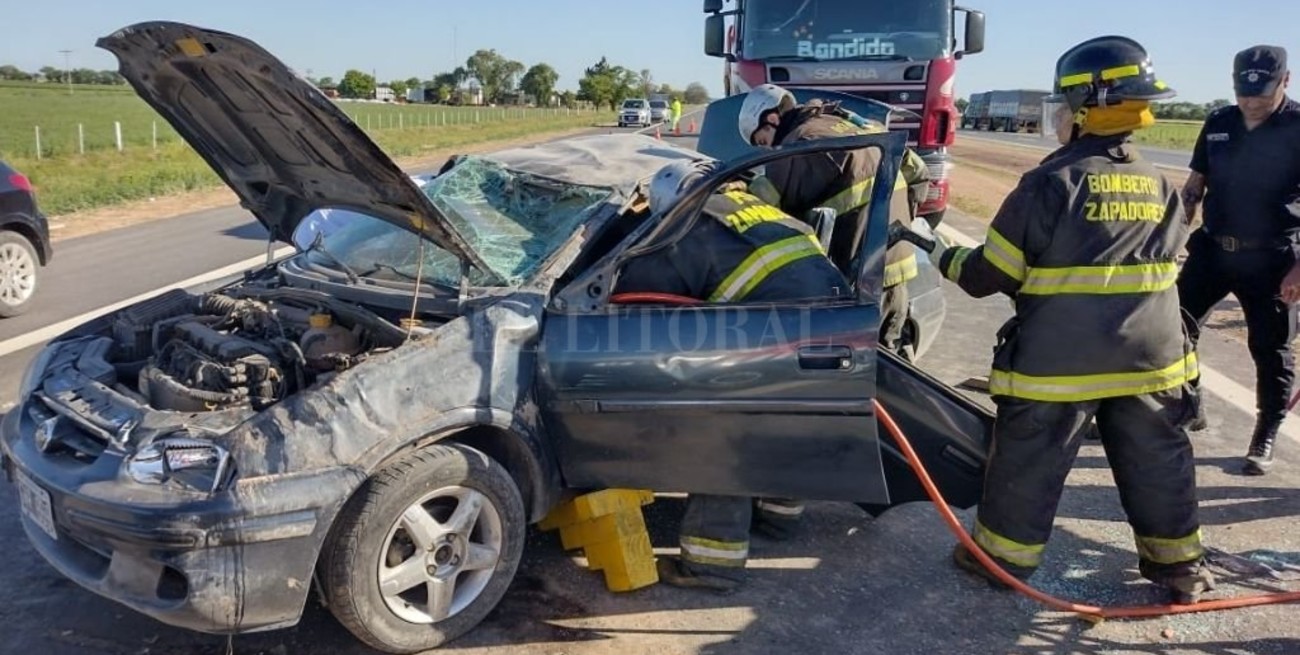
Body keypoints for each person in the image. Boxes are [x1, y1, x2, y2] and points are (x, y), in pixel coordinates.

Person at [924, 36, 1215, 603]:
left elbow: (989, 274)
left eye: (1062, 104)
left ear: (1087, 107)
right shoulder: (1159, 182)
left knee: (1031, 458)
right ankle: (1182, 568)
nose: (1055, 116)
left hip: (1060, 363)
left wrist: (937, 251)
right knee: (1159, 462)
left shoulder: (1051, 183)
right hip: (1152, 360)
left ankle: (1002, 561)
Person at [614, 158, 851, 593]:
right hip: (840, 331)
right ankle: (778, 519)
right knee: (789, 424)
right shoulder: (762, 210)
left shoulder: (688, 226)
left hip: (775, 336)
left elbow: (641, 303)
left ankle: (712, 565)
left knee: (720, 435)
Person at [1177, 45, 1300, 476]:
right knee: (1173, 330)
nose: (1251, 102)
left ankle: (1266, 431)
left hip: (1273, 259)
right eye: (1243, 93)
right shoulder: (1219, 122)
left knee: (1270, 350)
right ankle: (1190, 403)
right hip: (1213, 250)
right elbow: (1194, 186)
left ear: (1285, 81)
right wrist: (1172, 236)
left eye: (1261, 94)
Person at [738, 83, 931, 357]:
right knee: (890, 357)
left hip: (862, 279)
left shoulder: (802, 143)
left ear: (771, 119)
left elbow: (767, 209)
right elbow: (918, 172)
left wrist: (738, 191)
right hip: (898, 266)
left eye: (762, 141)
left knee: (864, 367)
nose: (767, 150)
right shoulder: (857, 124)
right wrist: (904, 219)